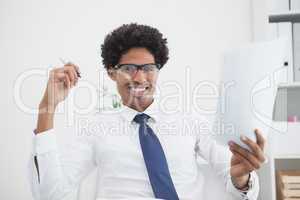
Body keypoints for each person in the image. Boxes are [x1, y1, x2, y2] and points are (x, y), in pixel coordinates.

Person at [29, 23, 265, 200]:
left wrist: (241, 178)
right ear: (112, 73)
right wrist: (46, 108)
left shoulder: (190, 120)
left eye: (148, 68)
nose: (139, 77)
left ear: (158, 70)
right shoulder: (94, 129)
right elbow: (53, 194)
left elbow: (240, 185)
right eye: (129, 68)